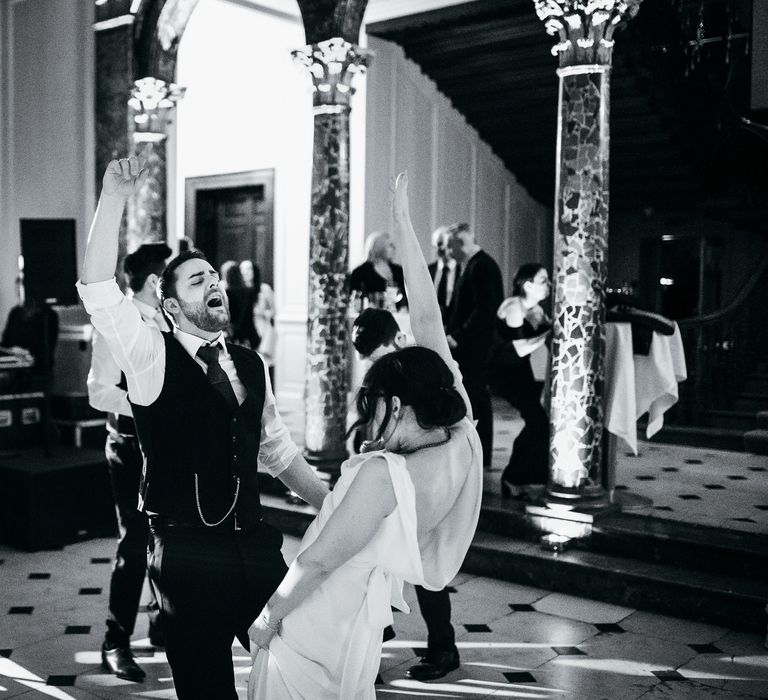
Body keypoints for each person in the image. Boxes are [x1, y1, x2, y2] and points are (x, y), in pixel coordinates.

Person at [77, 157, 329, 699]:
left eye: (215, 275)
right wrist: (113, 198)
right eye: (199, 278)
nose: (215, 280)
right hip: (187, 553)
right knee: (207, 688)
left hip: (256, 545)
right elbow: (97, 285)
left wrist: (333, 503)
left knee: (296, 666)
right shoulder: (149, 355)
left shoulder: (250, 363)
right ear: (170, 306)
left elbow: (278, 452)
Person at [246, 172, 483, 699]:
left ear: (396, 406)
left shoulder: (382, 473)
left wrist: (268, 618)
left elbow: (317, 561)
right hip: (359, 627)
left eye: (372, 405)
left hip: (319, 622)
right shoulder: (460, 431)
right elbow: (428, 315)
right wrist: (401, 219)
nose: (368, 422)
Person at [350, 307, 462, 681]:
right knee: (375, 561)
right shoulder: (389, 372)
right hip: (396, 473)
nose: (373, 365)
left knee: (427, 567)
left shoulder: (422, 370)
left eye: (376, 355)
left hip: (427, 476)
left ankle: (443, 647)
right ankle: (374, 643)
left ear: (397, 340)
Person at [87, 242, 171, 681]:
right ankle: (115, 640)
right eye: (168, 273)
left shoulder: (170, 322)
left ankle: (162, 623)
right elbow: (99, 391)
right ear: (154, 279)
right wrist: (148, 403)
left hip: (169, 446)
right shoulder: (115, 325)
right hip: (129, 445)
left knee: (169, 539)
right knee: (135, 542)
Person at [487, 263, 552, 498]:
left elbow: (546, 338)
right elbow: (518, 348)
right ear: (527, 285)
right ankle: (513, 478)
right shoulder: (513, 307)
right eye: (543, 280)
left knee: (539, 422)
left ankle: (524, 478)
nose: (549, 285)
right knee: (538, 421)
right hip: (503, 372)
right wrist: (549, 331)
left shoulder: (534, 309)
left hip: (520, 371)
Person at [445, 222, 504, 468]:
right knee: (475, 397)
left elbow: (485, 308)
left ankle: (479, 455)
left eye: (450, 246)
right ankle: (476, 454)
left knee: (476, 398)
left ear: (460, 243)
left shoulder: (482, 266)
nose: (448, 252)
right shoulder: (474, 265)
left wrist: (459, 336)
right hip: (473, 345)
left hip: (476, 346)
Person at [349, 231, 408, 310]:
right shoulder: (361, 272)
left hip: (397, 315)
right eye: (390, 245)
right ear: (379, 247)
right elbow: (355, 296)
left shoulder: (398, 270)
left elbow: (405, 295)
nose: (394, 248)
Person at [220, 260, 260, 349]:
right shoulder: (249, 291)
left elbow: (228, 315)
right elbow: (250, 315)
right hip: (249, 332)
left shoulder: (227, 292)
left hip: (234, 334)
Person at [427, 225, 460, 326]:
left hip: (455, 326)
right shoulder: (428, 270)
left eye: (441, 244)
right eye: (435, 245)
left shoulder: (463, 271)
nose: (438, 249)